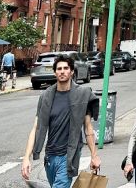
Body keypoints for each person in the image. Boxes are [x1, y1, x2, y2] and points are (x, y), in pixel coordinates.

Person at [21, 55, 100, 187]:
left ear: (72, 71)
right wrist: (26, 158)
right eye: (59, 69)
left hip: (68, 155)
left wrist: (94, 155)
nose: (62, 71)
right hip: (50, 156)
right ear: (55, 72)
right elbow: (36, 128)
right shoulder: (46, 96)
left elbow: (88, 128)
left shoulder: (82, 94)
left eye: (65, 68)